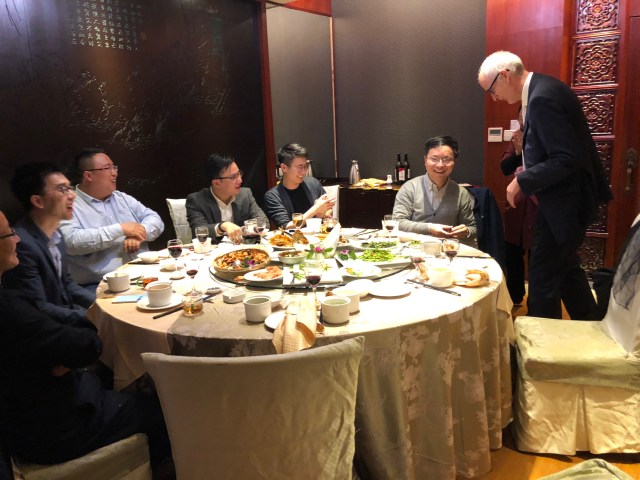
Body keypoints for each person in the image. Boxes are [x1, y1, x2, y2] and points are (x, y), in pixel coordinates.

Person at [0, 210, 171, 470]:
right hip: (53, 428)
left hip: (38, 407)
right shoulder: (9, 308)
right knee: (164, 407)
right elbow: (87, 347)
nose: (17, 239)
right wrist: (82, 337)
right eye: (9, 234)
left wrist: (61, 357)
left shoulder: (12, 296)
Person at [478, 51, 612, 319]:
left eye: (492, 90)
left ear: (504, 75)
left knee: (542, 282)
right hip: (562, 203)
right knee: (567, 272)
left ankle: (539, 343)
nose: (494, 98)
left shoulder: (543, 97)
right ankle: (593, 327)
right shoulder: (542, 90)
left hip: (564, 204)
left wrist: (522, 181)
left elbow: (567, 157)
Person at [3, 162, 95, 325]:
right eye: (62, 189)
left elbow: (67, 284)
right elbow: (38, 307)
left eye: (70, 188)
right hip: (44, 327)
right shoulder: (22, 244)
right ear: (38, 201)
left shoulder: (56, 233)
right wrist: (93, 318)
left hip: (66, 315)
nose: (72, 195)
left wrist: (103, 304)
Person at [59, 148, 164, 290]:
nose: (114, 173)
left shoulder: (121, 198)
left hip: (142, 272)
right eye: (107, 168)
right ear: (88, 175)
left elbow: (154, 218)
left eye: (114, 167)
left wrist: (139, 233)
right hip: (100, 283)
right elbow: (72, 242)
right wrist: (120, 229)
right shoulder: (69, 204)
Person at [392, 135, 478, 247]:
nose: (440, 165)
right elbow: (398, 222)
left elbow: (472, 228)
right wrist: (430, 228)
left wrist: (466, 231)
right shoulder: (409, 188)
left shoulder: (461, 193)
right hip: (415, 249)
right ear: (425, 160)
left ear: (454, 162)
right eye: (434, 159)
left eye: (446, 159)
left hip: (447, 250)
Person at [499, 107, 538, 305]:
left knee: (536, 257)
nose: (524, 119)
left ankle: (536, 304)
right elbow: (505, 168)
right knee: (513, 252)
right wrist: (517, 151)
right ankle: (515, 297)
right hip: (517, 205)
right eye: (521, 116)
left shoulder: (544, 135)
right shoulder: (517, 136)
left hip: (538, 207)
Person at [186, 153, 268, 245]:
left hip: (242, 250)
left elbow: (263, 221)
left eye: (239, 174)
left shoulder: (245, 195)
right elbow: (199, 231)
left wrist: (246, 229)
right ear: (216, 183)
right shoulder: (196, 200)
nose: (240, 180)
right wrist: (222, 226)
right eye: (233, 177)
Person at [263, 143, 335, 228]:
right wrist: (316, 209)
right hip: (293, 236)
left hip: (317, 234)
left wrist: (325, 213)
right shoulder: (272, 196)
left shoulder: (313, 183)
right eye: (299, 167)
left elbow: (327, 209)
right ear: (284, 168)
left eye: (305, 166)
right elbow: (287, 226)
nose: (304, 172)